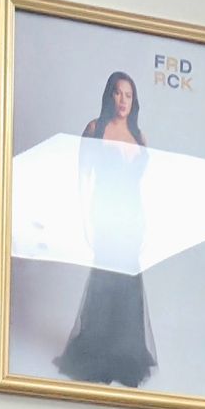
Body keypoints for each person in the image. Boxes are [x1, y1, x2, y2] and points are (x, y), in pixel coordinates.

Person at [55, 71, 157, 391]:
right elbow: (83, 176)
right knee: (104, 281)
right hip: (105, 219)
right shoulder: (95, 129)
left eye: (128, 95)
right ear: (109, 96)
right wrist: (86, 221)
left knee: (128, 283)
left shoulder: (140, 136)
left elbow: (142, 187)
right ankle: (98, 353)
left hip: (132, 221)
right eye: (117, 93)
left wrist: (147, 223)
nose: (123, 100)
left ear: (134, 100)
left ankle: (125, 354)